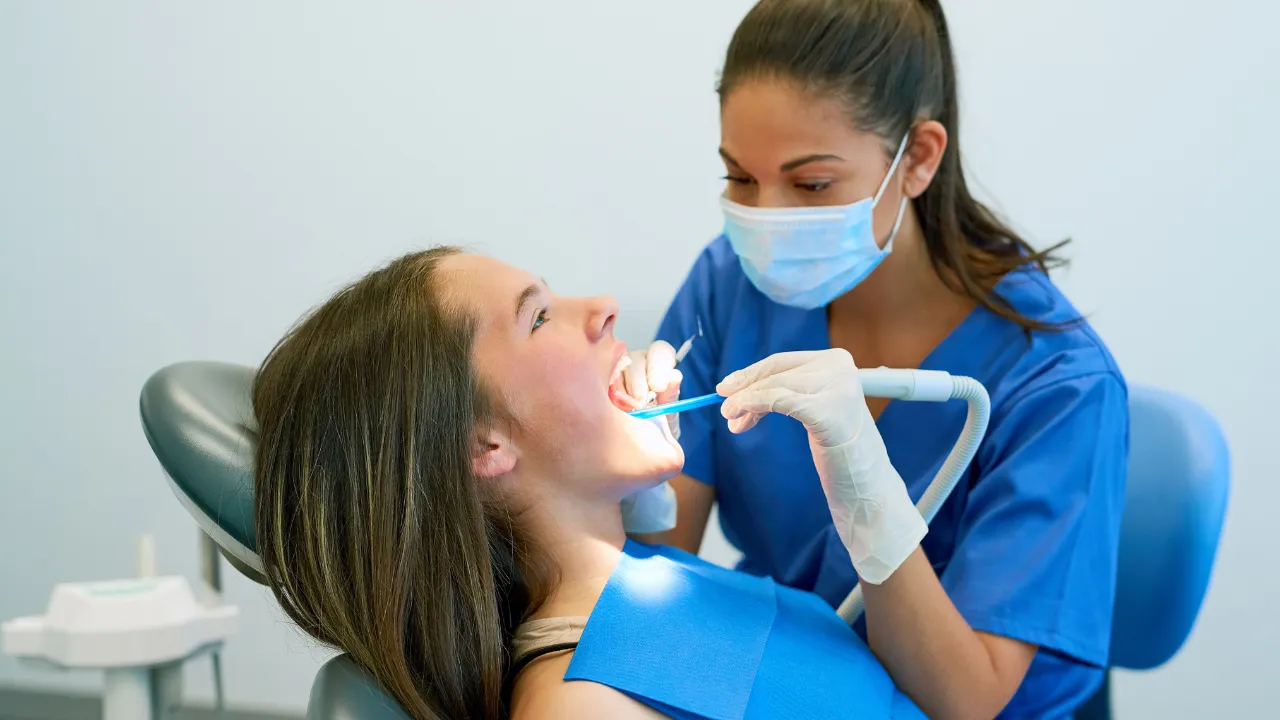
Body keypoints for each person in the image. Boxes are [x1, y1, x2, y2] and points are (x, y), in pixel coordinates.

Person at [620, 0, 1129, 717]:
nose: (766, 217)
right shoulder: (730, 285)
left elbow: (968, 698)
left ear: (917, 158)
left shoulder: (1056, 384)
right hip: (789, 680)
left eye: (812, 184)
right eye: (739, 178)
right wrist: (632, 479)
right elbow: (654, 570)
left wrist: (867, 489)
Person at [251, 247, 930, 720]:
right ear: (482, 443)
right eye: (538, 316)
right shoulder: (581, 704)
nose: (603, 308)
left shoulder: (654, 585)